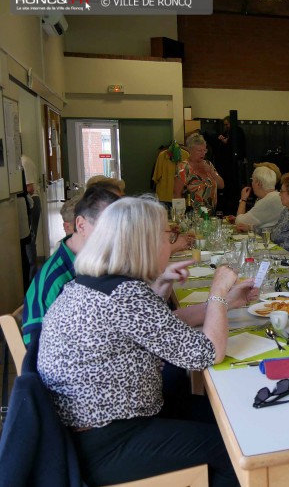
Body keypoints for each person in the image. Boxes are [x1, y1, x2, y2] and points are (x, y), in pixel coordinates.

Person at [37, 196, 253, 486]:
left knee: (231, 417)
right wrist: (217, 291)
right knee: (238, 452)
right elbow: (209, 352)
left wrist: (224, 303)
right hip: (106, 441)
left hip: (94, 426)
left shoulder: (96, 284)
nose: (172, 243)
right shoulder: (123, 295)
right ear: (144, 242)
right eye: (169, 236)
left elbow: (163, 328)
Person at [22, 186, 120, 345]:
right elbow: (35, 347)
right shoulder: (58, 278)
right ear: (80, 225)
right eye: (109, 228)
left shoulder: (95, 260)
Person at [173, 133, 224, 213]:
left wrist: (212, 172)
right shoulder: (183, 168)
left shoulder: (208, 164)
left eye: (204, 150)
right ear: (190, 150)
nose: (203, 153)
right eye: (199, 150)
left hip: (210, 215)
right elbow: (177, 194)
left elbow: (221, 185)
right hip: (191, 216)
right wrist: (179, 216)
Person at [212, 115, 247, 215]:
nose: (226, 126)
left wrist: (225, 141)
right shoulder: (230, 132)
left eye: (227, 124)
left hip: (235, 166)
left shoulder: (237, 132)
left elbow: (234, 146)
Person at [234, 165, 283, 232]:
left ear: (258, 183)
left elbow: (239, 223)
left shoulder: (268, 200)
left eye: (252, 180)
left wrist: (243, 199)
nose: (251, 183)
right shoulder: (277, 196)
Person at [19, 154, 41, 288]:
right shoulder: (23, 161)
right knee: (28, 242)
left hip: (32, 202)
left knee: (30, 241)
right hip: (28, 203)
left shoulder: (24, 162)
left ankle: (31, 281)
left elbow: (30, 188)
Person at [152, 141, 189, 205]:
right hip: (180, 195)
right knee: (180, 214)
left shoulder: (162, 155)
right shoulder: (186, 155)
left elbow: (156, 177)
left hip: (164, 195)